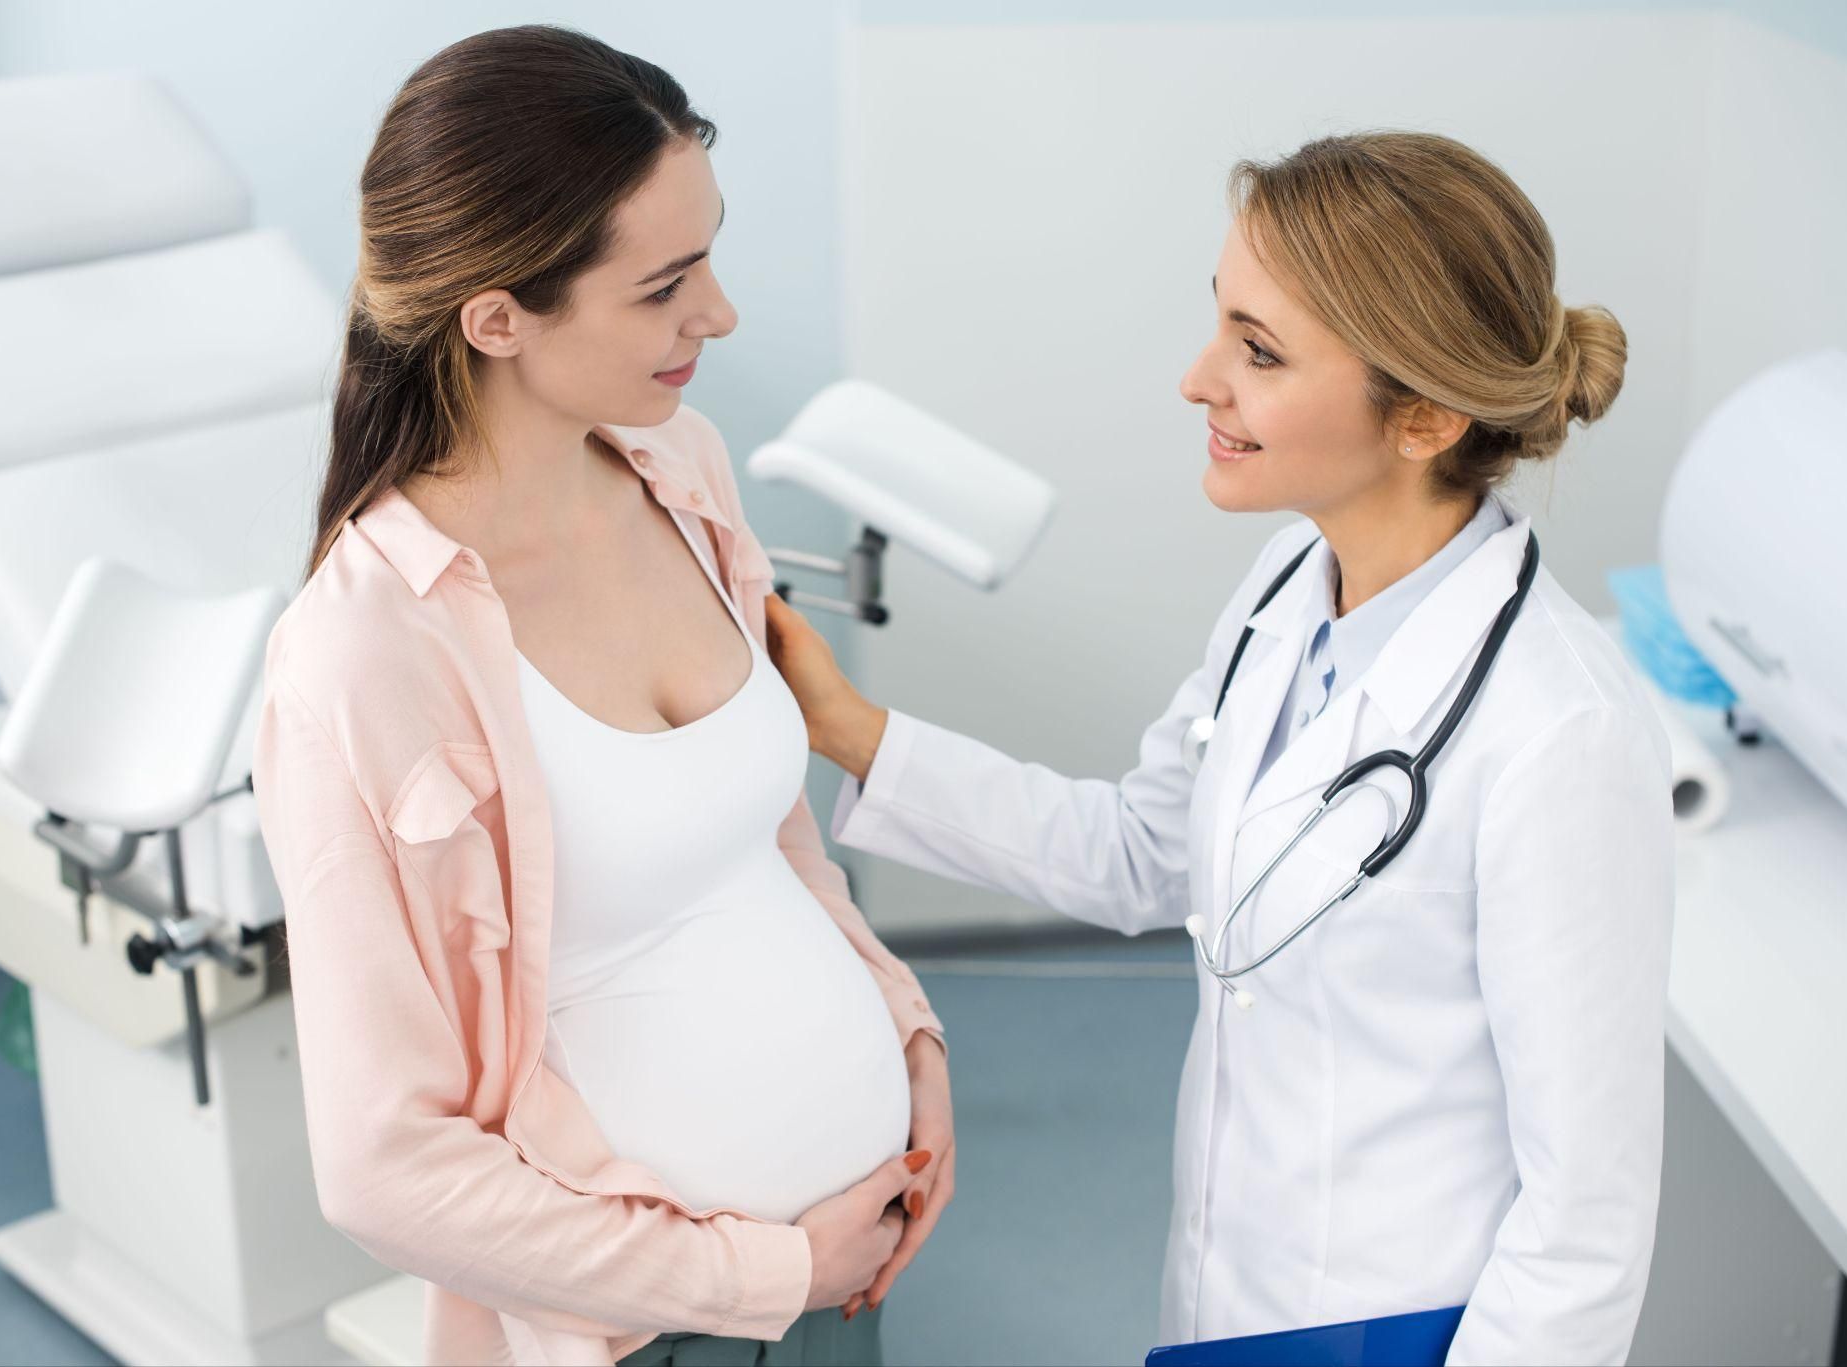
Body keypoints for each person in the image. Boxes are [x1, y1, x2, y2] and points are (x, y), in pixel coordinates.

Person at [766, 132, 1673, 1364]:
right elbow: (1147, 851)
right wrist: (848, 730)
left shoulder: (1559, 733)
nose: (1198, 380)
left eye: (1257, 351)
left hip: (1401, 1330)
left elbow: (1585, 1222)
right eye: (1219, 327)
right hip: (1227, 1295)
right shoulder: (1289, 585)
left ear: (1421, 414)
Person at [250, 26, 952, 1367]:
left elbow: (768, 839)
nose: (722, 313)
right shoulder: (361, 651)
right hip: (657, 1325)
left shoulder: (682, 468)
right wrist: (766, 1267)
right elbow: (381, 1165)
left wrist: (907, 1033)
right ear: (498, 316)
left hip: (851, 1251)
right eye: (666, 285)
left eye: (712, 254)